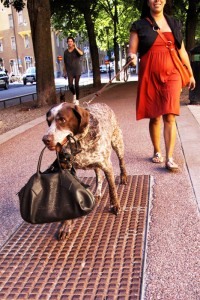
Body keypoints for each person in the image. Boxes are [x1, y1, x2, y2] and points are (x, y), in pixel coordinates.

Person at [128, 0, 196, 171]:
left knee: (170, 115)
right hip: (150, 74)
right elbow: (132, 50)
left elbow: (181, 50)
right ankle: (157, 151)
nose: (157, 0)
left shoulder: (173, 23)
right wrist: (132, 58)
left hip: (172, 73)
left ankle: (170, 157)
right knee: (155, 116)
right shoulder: (139, 25)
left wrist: (190, 73)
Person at [63, 36, 84, 105]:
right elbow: (65, 63)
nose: (70, 43)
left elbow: (81, 53)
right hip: (70, 71)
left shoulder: (77, 50)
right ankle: (74, 94)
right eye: (68, 41)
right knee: (70, 85)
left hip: (77, 70)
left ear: (73, 42)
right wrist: (64, 72)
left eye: (71, 41)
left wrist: (76, 48)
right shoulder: (65, 52)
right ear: (67, 43)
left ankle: (77, 100)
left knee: (76, 85)